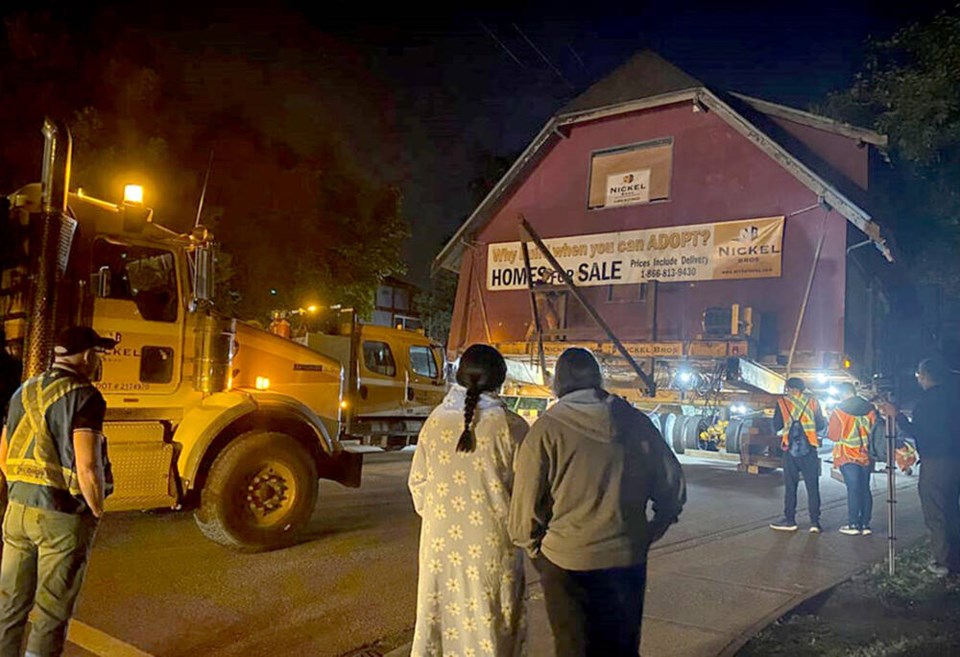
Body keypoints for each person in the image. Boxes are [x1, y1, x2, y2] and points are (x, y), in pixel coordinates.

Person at [509, 348, 685, 657]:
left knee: (573, 649)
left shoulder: (546, 431)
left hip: (566, 564)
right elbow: (673, 489)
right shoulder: (636, 423)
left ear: (557, 382)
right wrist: (646, 533)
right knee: (622, 649)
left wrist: (539, 552)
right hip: (626, 560)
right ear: (597, 378)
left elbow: (523, 515)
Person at [0, 326, 116, 657]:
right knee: (51, 612)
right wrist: (96, 509)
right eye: (99, 354)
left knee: (10, 606)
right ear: (89, 355)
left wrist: (23, 491)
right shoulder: (86, 396)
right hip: (61, 516)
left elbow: (4, 456)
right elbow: (87, 466)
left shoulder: (23, 390)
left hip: (18, 510)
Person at [408, 344, 529, 657]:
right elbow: (528, 498)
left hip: (438, 548)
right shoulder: (512, 428)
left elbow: (418, 485)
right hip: (492, 548)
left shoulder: (435, 422)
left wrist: (442, 515)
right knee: (489, 629)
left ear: (459, 376)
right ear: (500, 380)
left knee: (442, 624)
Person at [880, 358, 960, 578]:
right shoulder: (954, 397)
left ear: (924, 376)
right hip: (955, 460)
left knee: (935, 512)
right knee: (952, 509)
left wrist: (897, 416)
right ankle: (954, 557)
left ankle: (942, 563)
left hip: (936, 463)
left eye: (918, 375)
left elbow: (920, 433)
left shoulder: (927, 402)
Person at [770, 377, 826, 533]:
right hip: (810, 449)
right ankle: (815, 522)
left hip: (790, 450)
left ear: (791, 389)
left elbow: (776, 425)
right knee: (813, 487)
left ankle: (790, 520)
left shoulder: (783, 403)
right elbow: (820, 425)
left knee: (790, 487)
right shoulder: (813, 402)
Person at [827, 382, 880, 536]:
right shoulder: (870, 409)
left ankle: (853, 524)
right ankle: (865, 524)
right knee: (865, 488)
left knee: (853, 489)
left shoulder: (839, 411)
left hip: (847, 455)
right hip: (865, 454)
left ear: (843, 394)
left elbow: (834, 436)